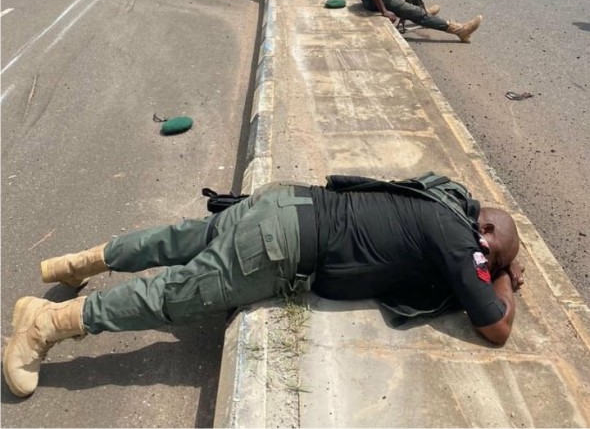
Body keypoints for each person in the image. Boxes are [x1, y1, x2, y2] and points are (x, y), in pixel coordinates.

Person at [2, 177, 523, 398]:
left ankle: (73, 264)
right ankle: (44, 326)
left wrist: (496, 264)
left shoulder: (439, 198)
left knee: (177, 239)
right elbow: (495, 328)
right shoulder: (463, 242)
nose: (488, 265)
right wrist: (501, 277)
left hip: (284, 203)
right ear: (486, 235)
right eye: (494, 254)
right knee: (174, 295)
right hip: (282, 246)